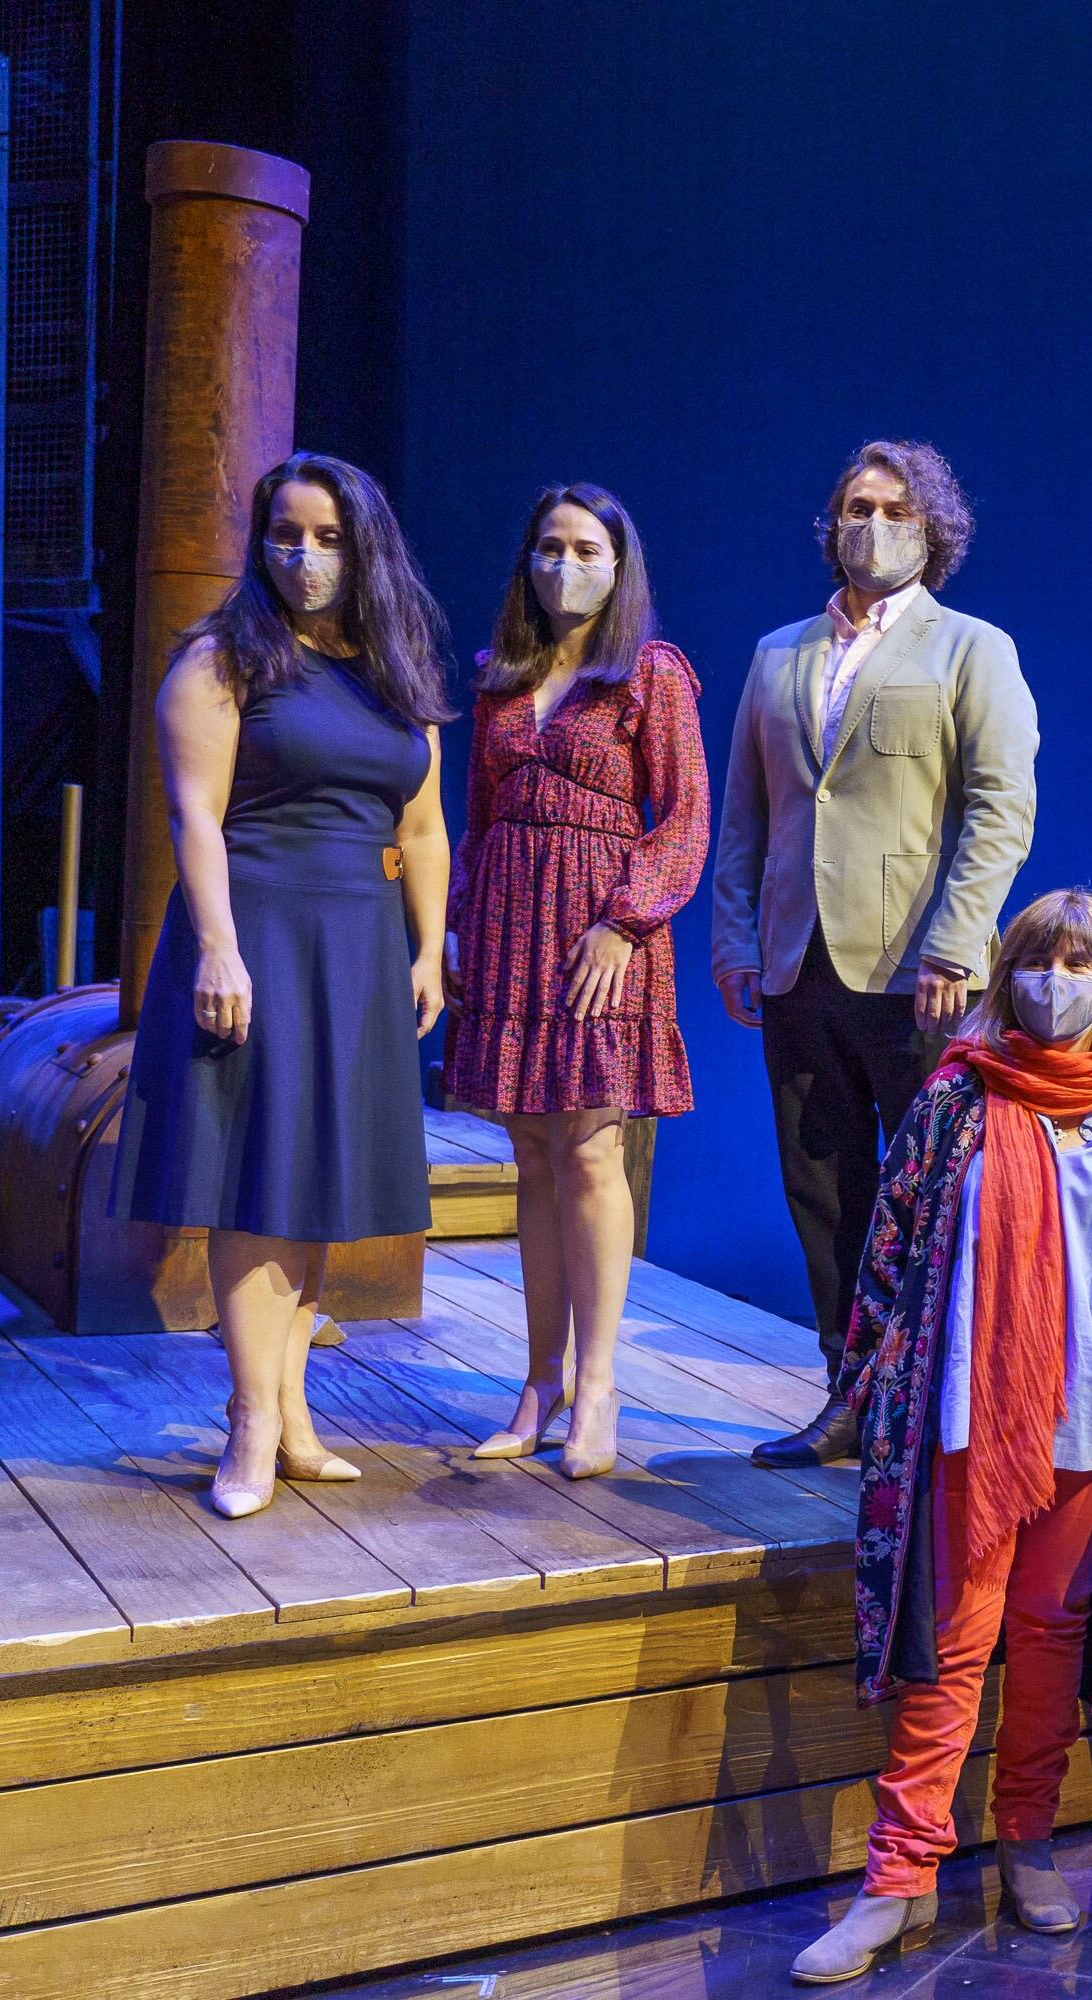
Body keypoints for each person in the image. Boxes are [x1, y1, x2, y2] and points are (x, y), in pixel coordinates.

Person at [788, 891, 1092, 1985]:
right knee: (951, 1644)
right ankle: (899, 1874)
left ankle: (1027, 1838)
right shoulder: (955, 1102)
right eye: (1036, 960)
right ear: (1004, 974)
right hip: (970, 1420)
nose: (1055, 980)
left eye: (1078, 962)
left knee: (1051, 1637)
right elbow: (886, 1257)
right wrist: (875, 1392)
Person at [113, 453, 456, 1520]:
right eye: (285, 535)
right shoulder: (223, 658)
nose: (304, 556)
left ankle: (295, 1412)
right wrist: (217, 948)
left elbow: (424, 827)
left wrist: (427, 949)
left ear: (366, 547)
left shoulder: (393, 667)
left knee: (317, 1186)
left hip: (357, 944)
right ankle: (252, 1420)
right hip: (258, 931)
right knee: (261, 1181)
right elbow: (195, 816)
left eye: (328, 538)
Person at [710, 441, 1041, 1467]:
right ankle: (850, 1397)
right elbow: (745, 815)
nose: (874, 525)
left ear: (932, 530)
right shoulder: (779, 654)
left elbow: (1001, 809)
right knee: (825, 1189)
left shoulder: (971, 648)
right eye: (858, 506)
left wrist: (956, 943)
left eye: (897, 510)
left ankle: (945, 1406)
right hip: (797, 960)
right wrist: (734, 939)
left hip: (918, 970)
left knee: (937, 1194)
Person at [444, 483, 708, 1481]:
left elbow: (684, 816)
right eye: (550, 547)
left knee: (593, 1152)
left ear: (618, 563)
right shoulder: (500, 677)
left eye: (587, 549)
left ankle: (597, 1385)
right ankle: (539, 1380)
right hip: (510, 926)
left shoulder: (650, 673)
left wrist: (624, 922)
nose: (566, 565)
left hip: (600, 936)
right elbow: (477, 816)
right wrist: (460, 923)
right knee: (532, 1155)